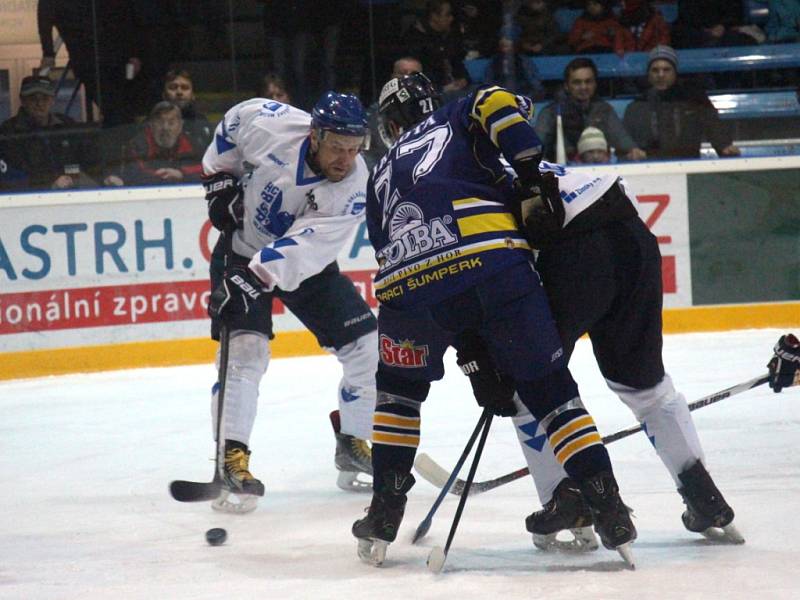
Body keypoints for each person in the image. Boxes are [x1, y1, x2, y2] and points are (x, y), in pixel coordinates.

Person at [351, 73, 636, 566]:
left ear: (391, 124)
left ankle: (384, 511)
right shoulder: (457, 115)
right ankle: (606, 504)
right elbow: (499, 101)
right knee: (551, 391)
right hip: (491, 264)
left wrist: (473, 353)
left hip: (408, 289)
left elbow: (388, 251)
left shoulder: (378, 174)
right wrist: (528, 169)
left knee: (398, 394)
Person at [513, 160, 744, 549]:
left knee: (530, 383)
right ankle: (705, 498)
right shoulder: (524, 156)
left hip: (574, 256)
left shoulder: (469, 172)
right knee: (644, 384)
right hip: (632, 236)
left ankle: (566, 501)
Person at [199, 91, 379, 512]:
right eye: (337, 147)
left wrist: (253, 279)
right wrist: (218, 179)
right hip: (241, 249)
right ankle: (232, 457)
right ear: (315, 135)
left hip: (302, 268)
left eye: (354, 149)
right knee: (245, 352)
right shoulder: (273, 123)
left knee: (367, 347)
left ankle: (353, 441)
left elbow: (305, 249)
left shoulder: (354, 186)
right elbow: (234, 119)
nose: (346, 159)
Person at [623, 46, 740, 160]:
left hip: (689, 167)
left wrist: (724, 146)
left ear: (675, 72)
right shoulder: (636, 106)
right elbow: (625, 146)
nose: (661, 75)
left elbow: (714, 127)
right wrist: (631, 153)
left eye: (666, 69)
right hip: (650, 170)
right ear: (648, 74)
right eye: (655, 70)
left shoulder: (695, 99)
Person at [535, 58, 646, 162]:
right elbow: (535, 151)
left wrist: (634, 152)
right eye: (577, 82)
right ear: (567, 86)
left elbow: (624, 142)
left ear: (595, 84)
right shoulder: (550, 113)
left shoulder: (604, 110)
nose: (583, 87)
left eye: (588, 81)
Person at [0, 75, 98, 191]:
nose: (39, 103)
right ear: (23, 100)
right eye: (33, 98)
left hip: (72, 197)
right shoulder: (8, 132)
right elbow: (9, 179)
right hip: (28, 203)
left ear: (53, 100)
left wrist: (106, 177)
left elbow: (90, 160)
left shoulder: (67, 125)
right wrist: (49, 185)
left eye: (45, 98)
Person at [112, 101, 203, 186]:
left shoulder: (193, 143)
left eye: (171, 123)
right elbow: (134, 174)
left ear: (180, 125)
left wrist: (181, 174)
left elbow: (207, 170)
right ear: (151, 125)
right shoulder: (137, 144)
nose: (165, 128)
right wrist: (167, 177)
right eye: (160, 122)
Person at [363, 56, 424, 169]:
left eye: (413, 74)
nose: (407, 78)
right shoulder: (373, 114)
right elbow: (366, 154)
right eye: (402, 73)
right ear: (392, 78)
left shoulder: (432, 113)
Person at [402, 0, 470, 95]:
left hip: (455, 89)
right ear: (434, 16)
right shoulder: (415, 40)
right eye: (447, 15)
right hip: (431, 93)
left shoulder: (449, 35)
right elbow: (416, 75)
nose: (451, 19)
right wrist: (441, 88)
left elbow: (457, 61)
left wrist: (463, 78)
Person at [162, 69, 213, 152]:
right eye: (173, 87)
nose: (179, 92)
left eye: (185, 88)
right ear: (164, 95)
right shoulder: (152, 122)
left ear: (193, 95)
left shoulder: (202, 122)